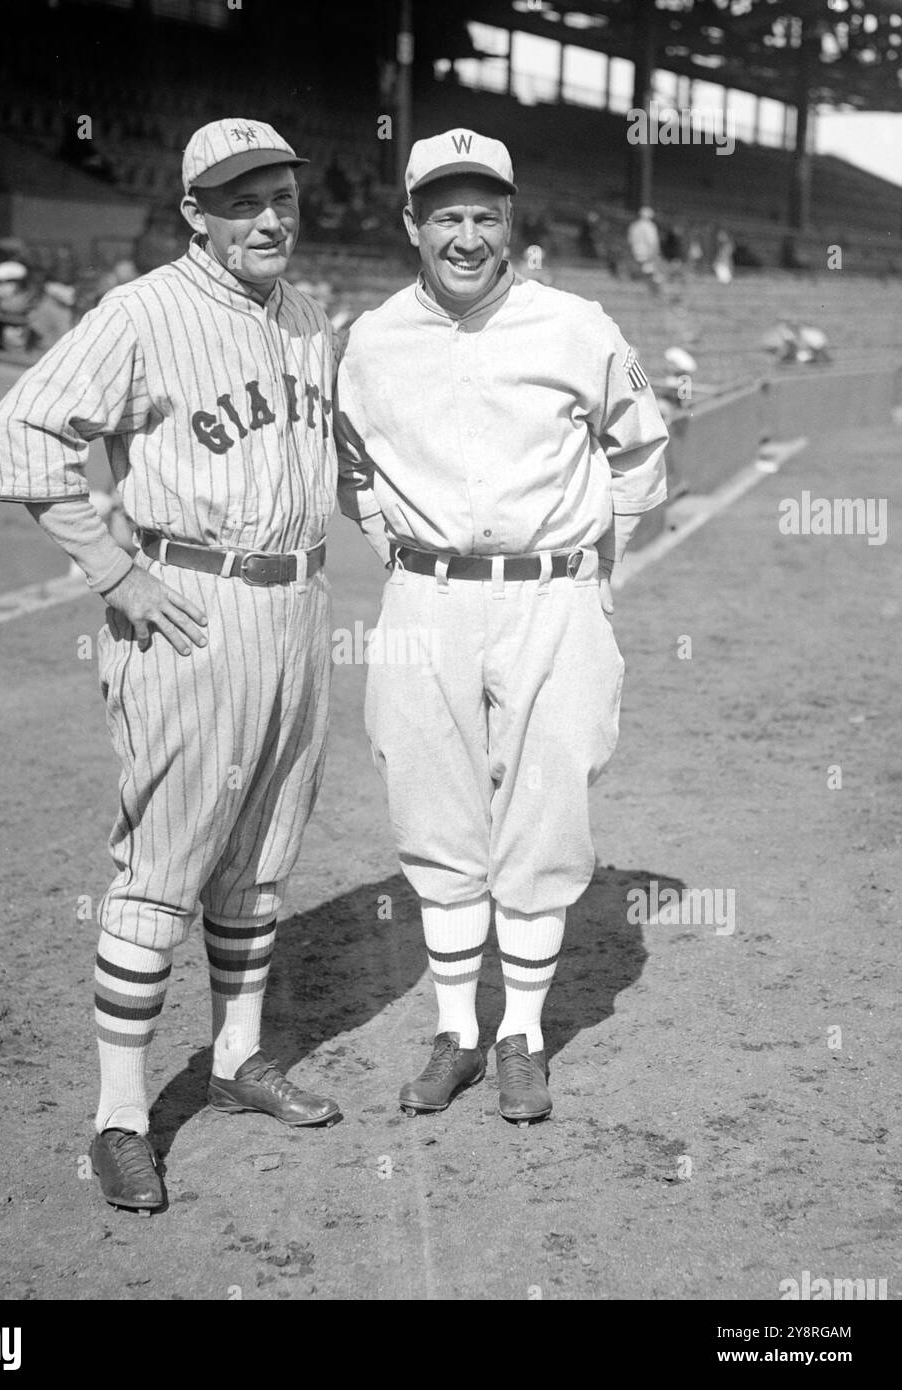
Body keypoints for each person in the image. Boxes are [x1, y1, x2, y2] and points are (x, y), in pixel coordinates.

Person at [0, 118, 340, 1214]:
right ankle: (121, 1116)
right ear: (194, 213)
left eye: (280, 195)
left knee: (262, 853)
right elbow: (26, 428)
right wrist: (111, 569)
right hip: (192, 607)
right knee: (163, 862)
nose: (268, 217)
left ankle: (238, 1055)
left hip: (299, 605)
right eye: (240, 200)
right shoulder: (142, 311)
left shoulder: (312, 310)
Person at [335, 129, 668, 1126]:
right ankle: (456, 1032)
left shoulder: (576, 323)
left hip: (549, 593)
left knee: (546, 805)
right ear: (411, 226)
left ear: (511, 224)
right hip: (425, 598)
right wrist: (404, 544)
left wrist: (599, 567)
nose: (466, 235)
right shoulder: (372, 337)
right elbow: (352, 469)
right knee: (430, 809)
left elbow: (641, 451)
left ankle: (521, 1031)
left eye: (485, 214)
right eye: (446, 215)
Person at [626, 205, 664, 293]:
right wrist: (655, 253)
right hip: (647, 252)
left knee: (643, 271)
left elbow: (630, 240)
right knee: (652, 272)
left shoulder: (634, 226)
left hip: (635, 252)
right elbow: (652, 242)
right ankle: (654, 291)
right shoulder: (650, 226)